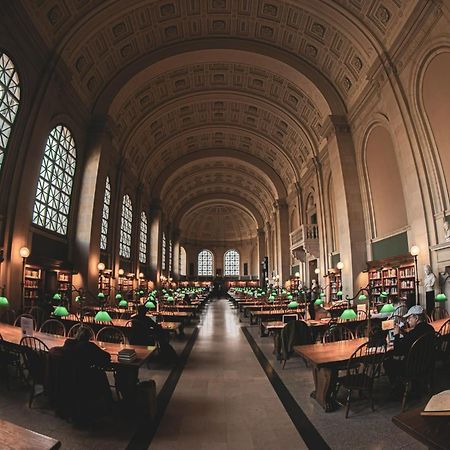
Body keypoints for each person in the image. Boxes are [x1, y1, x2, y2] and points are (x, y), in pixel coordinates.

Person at [383, 305, 434, 394]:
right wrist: (405, 333)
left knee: (388, 363)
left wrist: (396, 335)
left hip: (412, 367)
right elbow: (414, 340)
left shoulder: (413, 333)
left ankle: (398, 389)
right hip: (427, 363)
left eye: (410, 318)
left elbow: (398, 352)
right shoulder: (430, 329)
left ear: (416, 318)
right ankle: (417, 384)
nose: (407, 320)